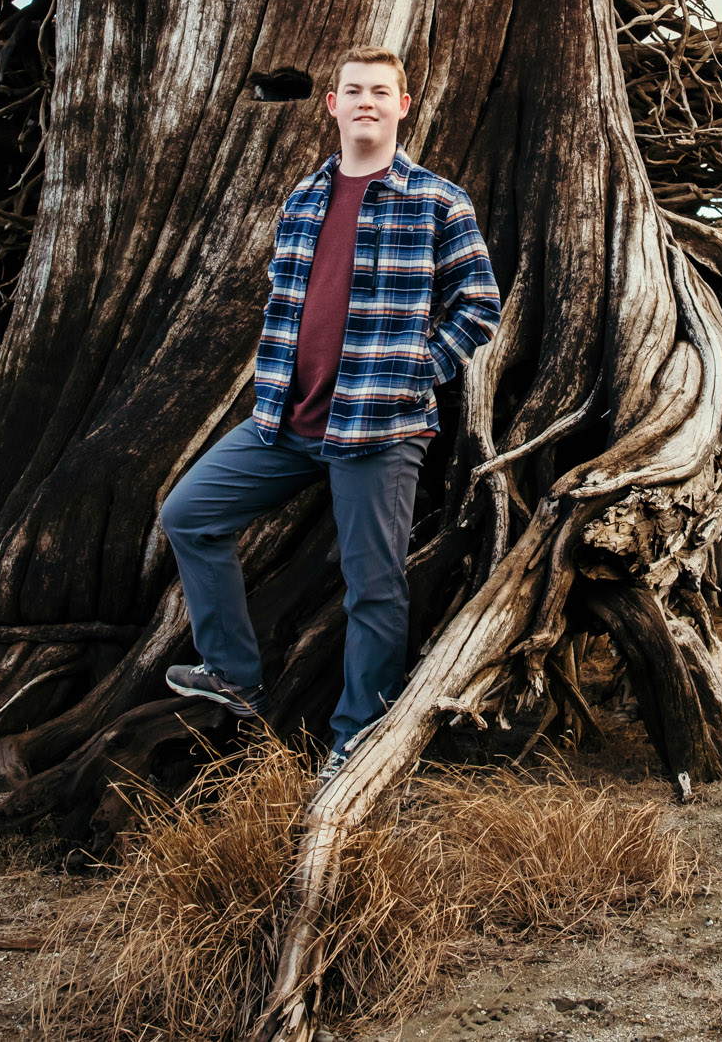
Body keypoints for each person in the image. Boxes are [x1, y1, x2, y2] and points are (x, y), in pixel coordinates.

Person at [160, 46, 501, 781]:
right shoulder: (304, 198)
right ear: (333, 105)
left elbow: (479, 308)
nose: (367, 102)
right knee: (188, 513)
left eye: (382, 91)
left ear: (403, 106)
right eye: (354, 90)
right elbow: (287, 303)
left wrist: (413, 374)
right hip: (284, 421)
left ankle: (357, 738)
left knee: (374, 585)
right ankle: (233, 674)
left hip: (379, 430)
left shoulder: (439, 201)